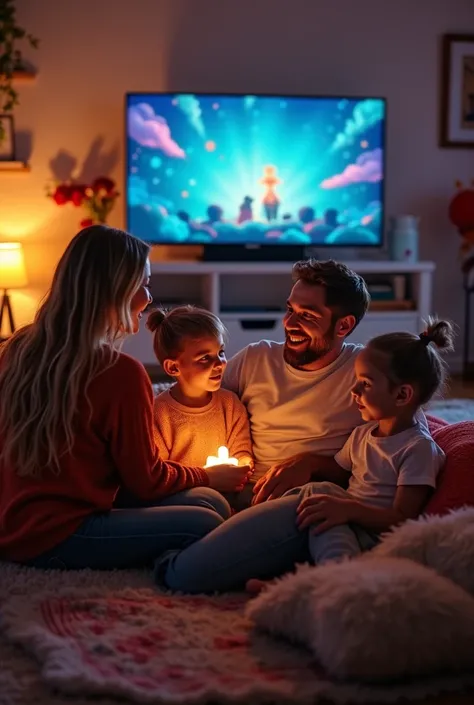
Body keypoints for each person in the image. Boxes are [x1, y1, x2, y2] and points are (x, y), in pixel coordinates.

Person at [0, 225, 250, 571]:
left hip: (16, 523)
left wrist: (204, 485)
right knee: (205, 522)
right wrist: (208, 476)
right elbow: (146, 481)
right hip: (62, 533)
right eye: (143, 285)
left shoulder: (18, 348)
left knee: (211, 504)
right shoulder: (121, 373)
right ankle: (172, 573)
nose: (149, 298)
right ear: (115, 290)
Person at [158, 319, 453, 594]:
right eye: (290, 310)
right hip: (334, 509)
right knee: (311, 495)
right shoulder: (364, 434)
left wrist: (346, 509)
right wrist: (303, 467)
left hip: (358, 528)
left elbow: (404, 520)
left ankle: (334, 588)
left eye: (365, 384)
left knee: (322, 515)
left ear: (402, 396)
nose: (353, 390)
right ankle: (293, 580)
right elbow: (336, 472)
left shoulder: (417, 449)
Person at [223, 258, 370, 506]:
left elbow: (397, 445)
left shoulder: (365, 370)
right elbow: (200, 406)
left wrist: (311, 465)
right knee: (200, 509)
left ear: (343, 325)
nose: (289, 324)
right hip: (240, 489)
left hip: (304, 499)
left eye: (307, 315)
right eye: (290, 310)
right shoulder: (255, 357)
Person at [147, 306, 253, 499]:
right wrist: (206, 477)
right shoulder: (159, 413)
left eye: (220, 352)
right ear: (173, 367)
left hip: (228, 491)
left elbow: (242, 450)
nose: (220, 363)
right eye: (205, 358)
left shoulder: (230, 404)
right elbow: (157, 471)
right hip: (181, 496)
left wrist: (241, 464)